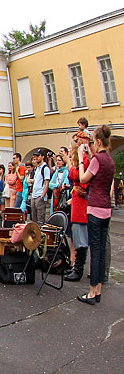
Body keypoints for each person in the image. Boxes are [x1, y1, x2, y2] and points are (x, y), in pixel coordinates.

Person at [76, 125, 114, 304]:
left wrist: (81, 160)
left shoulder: (97, 159)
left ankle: (91, 292)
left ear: (98, 141)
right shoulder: (110, 160)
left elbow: (83, 179)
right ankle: (98, 290)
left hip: (95, 208)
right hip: (106, 208)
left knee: (95, 249)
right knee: (101, 252)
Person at [65, 135, 91, 282]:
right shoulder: (79, 161)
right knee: (77, 234)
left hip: (81, 203)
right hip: (76, 201)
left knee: (81, 237)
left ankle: (79, 269)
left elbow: (80, 178)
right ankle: (76, 266)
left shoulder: (84, 160)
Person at [31, 149, 51, 224]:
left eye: (38, 156)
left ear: (42, 156)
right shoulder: (37, 168)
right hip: (34, 195)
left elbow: (47, 183)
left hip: (39, 196)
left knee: (40, 219)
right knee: (34, 219)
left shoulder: (45, 168)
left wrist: (42, 196)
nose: (36, 158)